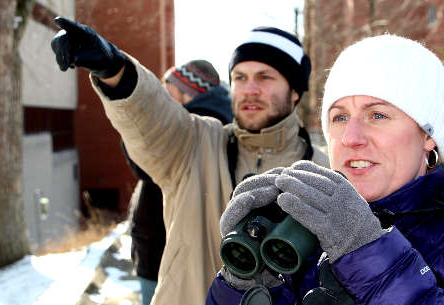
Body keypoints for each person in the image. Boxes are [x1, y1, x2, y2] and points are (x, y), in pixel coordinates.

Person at [50, 17, 329, 305]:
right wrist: (113, 68)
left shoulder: (323, 170)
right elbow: (151, 115)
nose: (250, 90)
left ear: (295, 91)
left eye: (265, 77)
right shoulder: (195, 144)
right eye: (240, 78)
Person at [207, 34, 444, 304]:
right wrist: (246, 283)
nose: (350, 137)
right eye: (340, 117)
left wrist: (366, 254)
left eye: (377, 115)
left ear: (427, 135)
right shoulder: (301, 235)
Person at [126, 60, 233, 305]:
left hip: (167, 257)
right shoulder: (204, 124)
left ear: (187, 92)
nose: (163, 97)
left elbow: (142, 165)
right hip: (168, 254)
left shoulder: (191, 129)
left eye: (168, 90)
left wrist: (141, 125)